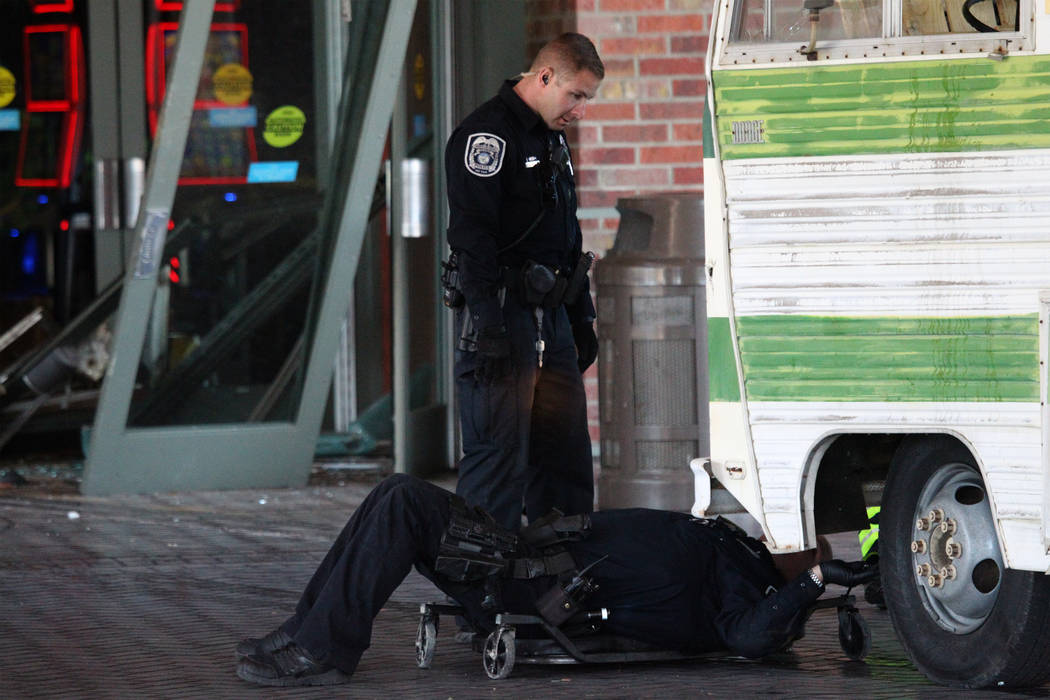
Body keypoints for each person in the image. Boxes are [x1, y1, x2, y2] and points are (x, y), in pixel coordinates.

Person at [234, 474, 877, 687]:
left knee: (404, 504)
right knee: (395, 494)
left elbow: (753, 639)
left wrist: (817, 579)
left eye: (807, 545)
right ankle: (306, 631)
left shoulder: (747, 598)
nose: (796, 538)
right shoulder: (737, 546)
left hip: (533, 588)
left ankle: (322, 648)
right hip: (525, 551)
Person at [443, 33, 604, 531]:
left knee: (564, 465)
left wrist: (581, 319)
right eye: (575, 95)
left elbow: (567, 235)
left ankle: (559, 594)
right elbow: (473, 239)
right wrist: (489, 325)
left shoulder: (549, 136)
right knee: (497, 465)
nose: (579, 110)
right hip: (504, 318)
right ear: (545, 77)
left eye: (587, 100)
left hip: (549, 319)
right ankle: (482, 597)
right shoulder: (486, 137)